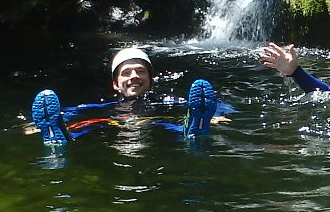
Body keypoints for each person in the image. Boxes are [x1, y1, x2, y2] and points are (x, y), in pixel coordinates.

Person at [28, 46, 233, 149]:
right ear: (115, 84)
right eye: (127, 73)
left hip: (157, 123)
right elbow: (76, 110)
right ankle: (57, 131)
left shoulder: (165, 102)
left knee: (179, 125)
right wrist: (35, 124)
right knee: (86, 124)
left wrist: (219, 114)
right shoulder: (106, 107)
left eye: (140, 72)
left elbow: (217, 105)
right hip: (111, 123)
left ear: (150, 80)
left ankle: (195, 127)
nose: (134, 77)